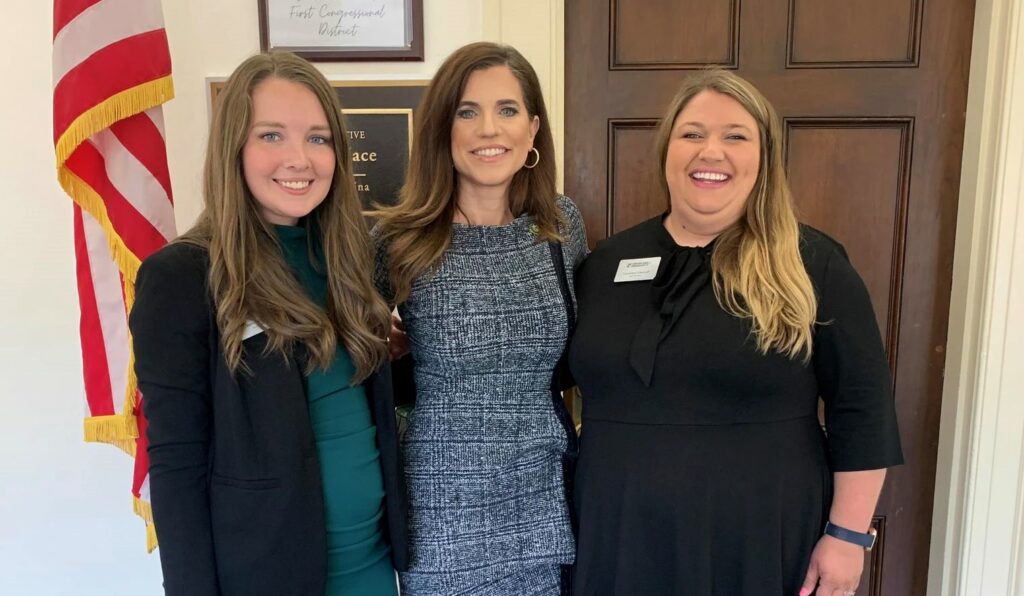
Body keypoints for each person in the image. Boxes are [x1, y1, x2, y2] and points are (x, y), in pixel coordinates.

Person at [568, 69, 903, 596]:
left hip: (760, 535)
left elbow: (863, 406)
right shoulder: (606, 263)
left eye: (735, 136)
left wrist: (847, 536)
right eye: (693, 133)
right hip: (619, 533)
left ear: (764, 156)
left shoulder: (809, 261)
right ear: (666, 149)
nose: (711, 152)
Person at [129, 51, 407, 596]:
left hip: (374, 568)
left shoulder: (352, 262)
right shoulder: (182, 277)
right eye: (272, 136)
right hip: (267, 577)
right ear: (234, 147)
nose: (299, 159)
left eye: (319, 138)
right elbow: (176, 464)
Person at [371, 42, 588, 595]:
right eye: (468, 111)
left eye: (507, 110)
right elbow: (351, 356)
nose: (489, 129)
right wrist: (385, 344)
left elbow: (588, 347)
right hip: (441, 511)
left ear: (533, 128)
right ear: (444, 128)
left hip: (546, 494)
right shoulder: (401, 237)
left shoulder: (560, 226)